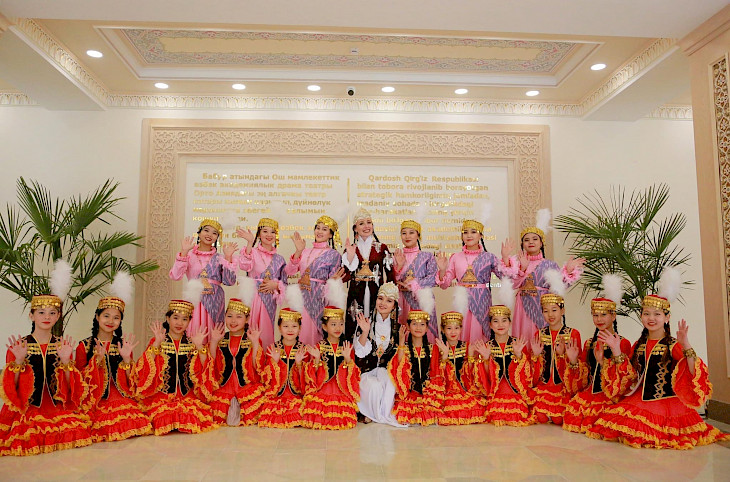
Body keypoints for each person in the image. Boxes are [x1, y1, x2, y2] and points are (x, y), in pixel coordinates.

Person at [588, 290, 730, 448]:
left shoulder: (672, 345)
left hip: (667, 403)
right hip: (639, 399)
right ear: (641, 316)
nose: (651, 318)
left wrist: (686, 345)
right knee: (613, 423)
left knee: (650, 434)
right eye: (646, 314)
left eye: (657, 314)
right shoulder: (639, 345)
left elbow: (692, 370)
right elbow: (629, 375)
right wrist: (616, 351)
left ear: (667, 318)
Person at [0, 294, 92, 456]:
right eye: (41, 312)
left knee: (76, 431)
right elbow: (11, 388)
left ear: (58, 316)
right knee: (27, 436)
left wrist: (66, 362)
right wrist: (19, 361)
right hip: (28, 407)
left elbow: (70, 388)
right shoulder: (19, 346)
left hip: (56, 405)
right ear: (31, 316)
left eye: (52, 313)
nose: (47, 317)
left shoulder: (62, 345)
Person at [76, 296, 151, 442]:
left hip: (121, 396)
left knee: (135, 420)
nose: (111, 321)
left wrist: (127, 359)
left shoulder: (123, 345)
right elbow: (79, 381)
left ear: (120, 321)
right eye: (106, 316)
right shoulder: (84, 346)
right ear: (97, 316)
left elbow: (132, 381)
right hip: (96, 400)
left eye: (116, 317)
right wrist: (96, 361)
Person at [135, 300, 216, 435]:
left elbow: (205, 368)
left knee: (191, 418)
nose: (179, 323)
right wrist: (156, 343)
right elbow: (145, 366)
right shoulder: (159, 341)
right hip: (163, 395)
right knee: (163, 419)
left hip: (187, 395)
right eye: (176, 318)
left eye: (184, 319)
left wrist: (199, 346)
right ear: (168, 319)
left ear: (189, 321)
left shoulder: (191, 343)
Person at [505, 210, 584, 338]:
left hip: (543, 305)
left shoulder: (550, 264)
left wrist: (568, 271)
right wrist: (522, 269)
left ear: (541, 243)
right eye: (526, 240)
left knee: (542, 338)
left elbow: (559, 288)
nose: (531, 242)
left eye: (535, 239)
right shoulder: (517, 262)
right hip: (523, 305)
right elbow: (512, 285)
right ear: (522, 244)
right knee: (523, 336)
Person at [435, 219, 514, 341]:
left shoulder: (489, 257)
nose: (469, 235)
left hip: (482, 300)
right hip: (462, 301)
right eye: (465, 232)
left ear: (481, 235)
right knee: (462, 330)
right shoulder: (456, 257)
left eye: (473, 232)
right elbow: (444, 285)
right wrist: (442, 270)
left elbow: (505, 278)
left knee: (481, 332)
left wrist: (505, 258)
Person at [562, 296, 631, 434]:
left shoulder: (623, 343)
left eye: (603, 315)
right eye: (595, 315)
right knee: (574, 417)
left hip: (610, 397)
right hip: (590, 394)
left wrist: (602, 362)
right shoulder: (589, 343)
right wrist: (574, 360)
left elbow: (624, 379)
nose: (599, 319)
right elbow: (584, 379)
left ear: (613, 316)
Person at [467, 304, 533, 426]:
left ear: (510, 323)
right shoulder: (486, 346)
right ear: (490, 325)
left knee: (517, 415)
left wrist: (519, 355)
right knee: (495, 415)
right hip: (495, 392)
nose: (500, 325)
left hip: (514, 391)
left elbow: (525, 375)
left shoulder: (517, 344)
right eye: (496, 321)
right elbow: (485, 378)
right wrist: (486, 359)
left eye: (504, 320)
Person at [169, 219, 238, 335]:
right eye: (206, 230)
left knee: (213, 331)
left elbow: (229, 281)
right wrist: (183, 252)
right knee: (194, 329)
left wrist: (228, 258)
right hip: (194, 297)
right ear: (199, 233)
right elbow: (175, 276)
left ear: (217, 237)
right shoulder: (189, 255)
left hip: (215, 298)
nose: (209, 235)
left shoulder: (220, 257)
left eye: (214, 233)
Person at [285, 215, 345, 344]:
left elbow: (333, 287)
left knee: (313, 334)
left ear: (331, 235)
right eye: (318, 228)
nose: (319, 231)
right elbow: (289, 272)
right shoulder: (305, 251)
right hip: (300, 298)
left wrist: (332, 282)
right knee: (298, 330)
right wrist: (298, 251)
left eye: (324, 229)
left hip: (317, 300)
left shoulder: (334, 255)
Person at [205, 298, 265, 426]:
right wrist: (214, 341)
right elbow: (212, 364)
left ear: (247, 319)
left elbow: (257, 367)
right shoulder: (221, 338)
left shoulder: (251, 339)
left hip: (245, 385)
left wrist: (255, 343)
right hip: (225, 385)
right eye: (229, 316)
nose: (233, 321)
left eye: (239, 317)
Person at [353, 282, 404, 427]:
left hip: (385, 370)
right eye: (380, 298)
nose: (383, 303)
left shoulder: (397, 328)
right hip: (366, 371)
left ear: (394, 306)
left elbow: (399, 359)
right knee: (374, 387)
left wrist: (401, 342)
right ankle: (370, 414)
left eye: (389, 301)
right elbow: (359, 353)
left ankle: (380, 415)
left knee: (389, 383)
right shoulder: (366, 322)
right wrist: (365, 332)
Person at [301, 307, 360, 430]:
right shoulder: (319, 346)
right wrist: (317, 359)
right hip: (323, 387)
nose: (338, 328)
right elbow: (313, 375)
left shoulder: (347, 346)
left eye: (341, 324)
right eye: (333, 324)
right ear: (324, 327)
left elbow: (353, 374)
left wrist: (347, 358)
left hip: (341, 389)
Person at [529, 292, 581, 425]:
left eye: (554, 310)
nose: (550, 315)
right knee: (540, 417)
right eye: (546, 311)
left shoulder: (572, 334)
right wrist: (536, 356)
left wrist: (563, 356)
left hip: (563, 387)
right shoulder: (539, 334)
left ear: (562, 311)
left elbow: (578, 367)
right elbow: (533, 372)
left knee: (559, 419)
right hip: (544, 386)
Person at [342, 208, 394, 340]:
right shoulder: (351, 248)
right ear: (355, 228)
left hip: (377, 293)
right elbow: (345, 276)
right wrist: (350, 257)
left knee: (376, 324)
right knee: (355, 324)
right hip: (356, 294)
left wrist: (391, 297)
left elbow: (390, 274)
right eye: (361, 223)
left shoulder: (382, 248)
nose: (366, 226)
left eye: (369, 222)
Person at [236, 217, 287, 348]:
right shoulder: (251, 252)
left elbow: (285, 283)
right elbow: (244, 266)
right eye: (265, 231)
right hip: (253, 297)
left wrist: (275, 285)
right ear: (259, 234)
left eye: (272, 232)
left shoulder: (280, 259)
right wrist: (249, 243)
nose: (269, 235)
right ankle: (249, 359)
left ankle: (266, 359)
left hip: (269, 301)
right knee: (250, 328)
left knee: (266, 331)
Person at [388, 310, 444, 426]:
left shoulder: (433, 348)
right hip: (410, 393)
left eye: (422, 324)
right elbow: (399, 367)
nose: (418, 328)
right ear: (408, 326)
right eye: (414, 324)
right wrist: (401, 342)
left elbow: (436, 372)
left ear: (427, 328)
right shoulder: (403, 348)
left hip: (427, 394)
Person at [258, 309, 310, 428]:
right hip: (277, 393)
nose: (290, 330)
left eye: (294, 326)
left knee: (299, 412)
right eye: (286, 326)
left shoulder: (303, 349)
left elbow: (307, 378)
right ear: (280, 328)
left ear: (300, 329)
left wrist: (299, 364)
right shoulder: (273, 348)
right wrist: (275, 362)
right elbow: (266, 378)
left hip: (295, 393)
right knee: (270, 412)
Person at [436, 312, 487, 425]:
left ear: (461, 329)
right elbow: (437, 373)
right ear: (443, 330)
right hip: (447, 389)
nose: (453, 332)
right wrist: (444, 357)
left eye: (456, 328)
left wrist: (470, 356)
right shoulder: (438, 347)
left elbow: (471, 374)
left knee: (475, 406)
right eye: (449, 328)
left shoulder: (466, 346)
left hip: (464, 388)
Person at [392, 219, 438, 341]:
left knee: (421, 331)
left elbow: (433, 278)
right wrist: (399, 267)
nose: (407, 236)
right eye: (404, 233)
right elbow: (391, 280)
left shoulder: (427, 256)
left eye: (411, 232)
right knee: (403, 332)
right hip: (402, 300)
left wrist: (414, 284)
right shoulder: (396, 255)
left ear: (418, 235)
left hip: (421, 300)